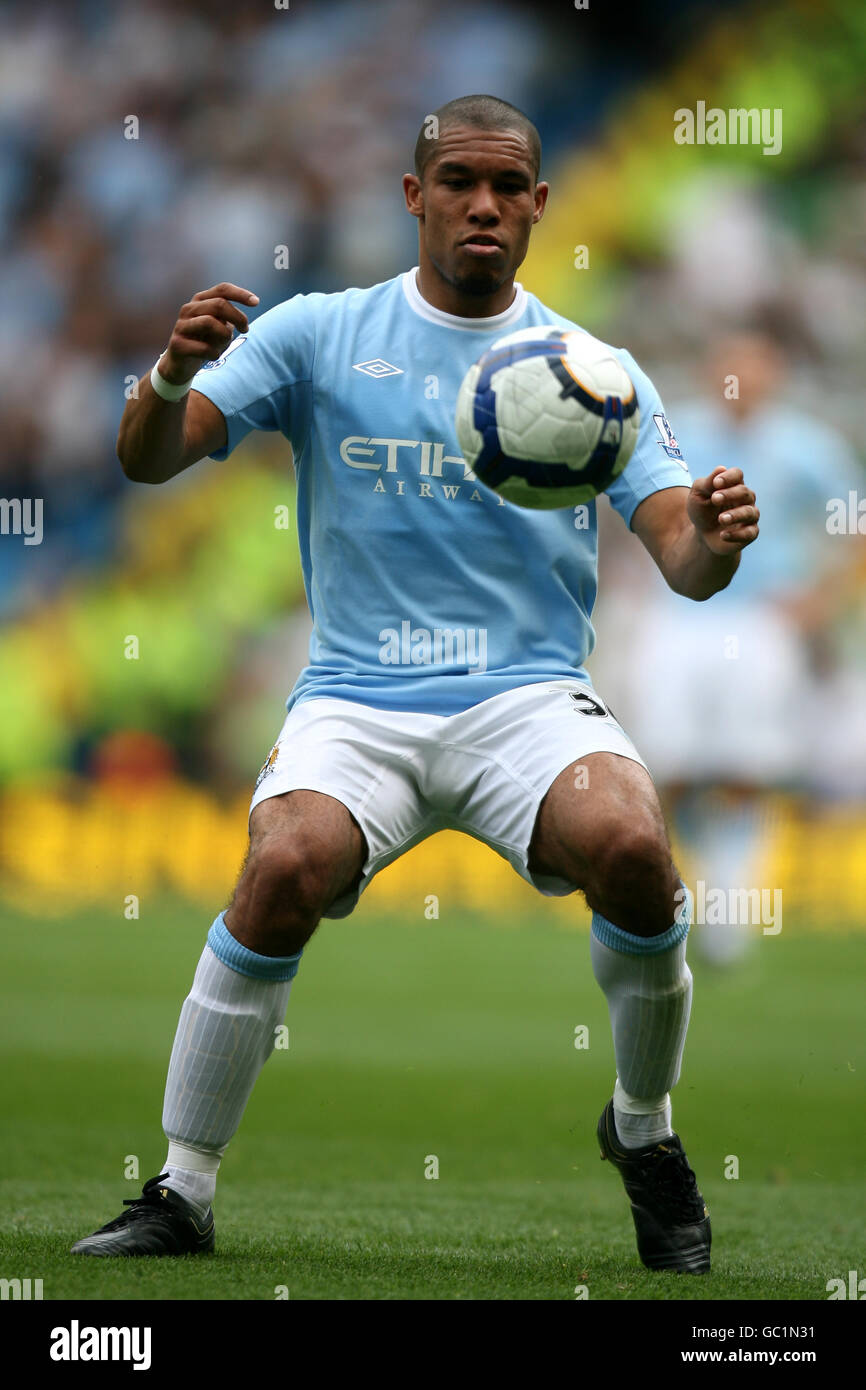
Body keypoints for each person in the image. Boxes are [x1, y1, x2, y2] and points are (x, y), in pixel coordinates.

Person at [71, 95, 759, 1275]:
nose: (480, 205)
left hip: (527, 697)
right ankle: (182, 1190)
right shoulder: (317, 334)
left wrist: (716, 536)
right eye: (456, 184)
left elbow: (682, 562)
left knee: (636, 850)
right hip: (355, 695)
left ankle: (642, 1130)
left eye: (505, 187)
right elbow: (147, 460)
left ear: (539, 204)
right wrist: (169, 376)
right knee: (281, 866)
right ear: (413, 197)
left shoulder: (593, 374)